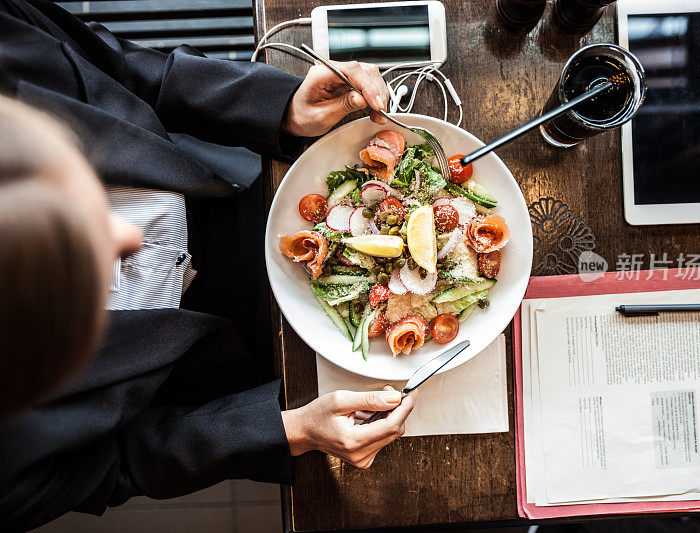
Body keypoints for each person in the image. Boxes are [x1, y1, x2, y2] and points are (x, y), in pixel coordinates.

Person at [0, 1, 416, 531]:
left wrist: (277, 106)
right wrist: (294, 431)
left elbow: (116, 67)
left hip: (224, 183)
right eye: (73, 284)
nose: (132, 237)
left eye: (82, 206)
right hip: (208, 360)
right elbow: (118, 466)